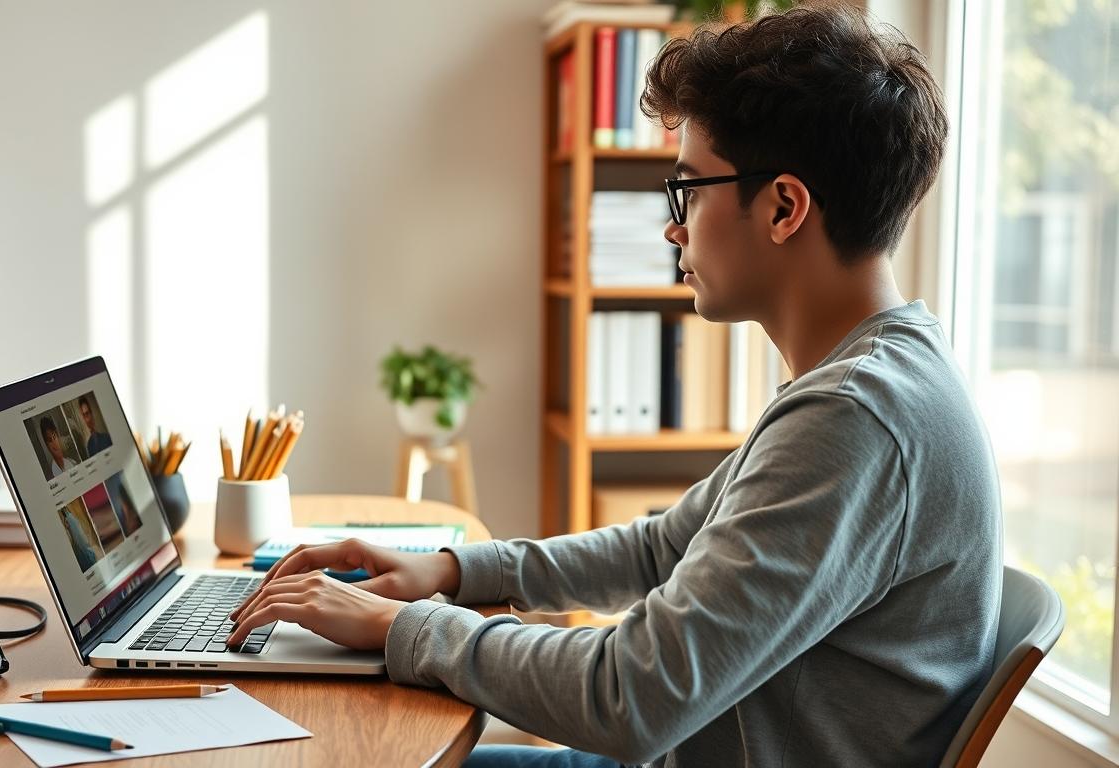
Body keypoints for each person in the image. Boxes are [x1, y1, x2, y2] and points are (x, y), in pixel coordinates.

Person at [227, 6, 1001, 767]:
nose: (675, 228)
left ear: (783, 207)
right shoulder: (874, 375)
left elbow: (630, 696)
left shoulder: (852, 419)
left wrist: (403, 627)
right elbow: (668, 545)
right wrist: (456, 570)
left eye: (689, 190)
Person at [59, 504, 99, 571]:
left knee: (78, 542)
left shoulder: (69, 518)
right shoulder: (69, 519)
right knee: (78, 542)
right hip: (75, 533)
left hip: (76, 533)